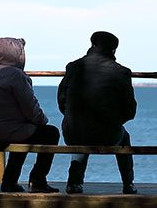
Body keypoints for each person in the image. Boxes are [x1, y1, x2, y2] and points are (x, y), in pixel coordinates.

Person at [0, 36, 60, 193]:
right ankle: (38, 179)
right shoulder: (15, 75)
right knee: (50, 133)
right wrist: (42, 121)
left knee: (23, 133)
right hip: (3, 131)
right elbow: (30, 107)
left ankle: (9, 181)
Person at [58, 30, 138, 195]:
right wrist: (115, 121)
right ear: (113, 50)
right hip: (107, 134)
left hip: (73, 132)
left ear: (92, 45)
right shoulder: (122, 72)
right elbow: (130, 110)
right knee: (124, 138)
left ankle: (74, 182)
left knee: (80, 137)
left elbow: (61, 99)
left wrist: (71, 117)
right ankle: (128, 183)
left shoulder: (73, 67)